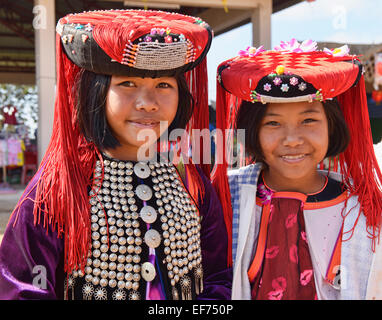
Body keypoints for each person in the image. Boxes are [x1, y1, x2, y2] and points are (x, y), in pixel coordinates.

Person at [0, 9, 231, 300]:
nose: (148, 103)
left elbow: (218, 276)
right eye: (127, 84)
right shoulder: (58, 189)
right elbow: (23, 290)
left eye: (163, 85)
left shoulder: (190, 181)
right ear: (95, 93)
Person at [211, 40, 382, 299]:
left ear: (332, 126)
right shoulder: (224, 196)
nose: (292, 139)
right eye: (273, 123)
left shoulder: (365, 208)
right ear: (252, 130)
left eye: (308, 120)